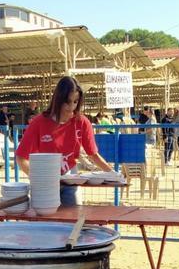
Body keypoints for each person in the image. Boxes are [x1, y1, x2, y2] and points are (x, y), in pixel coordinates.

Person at [15, 75, 114, 207]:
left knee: (73, 221)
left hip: (71, 181)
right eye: (67, 101)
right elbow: (21, 158)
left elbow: (93, 154)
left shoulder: (82, 122)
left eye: (75, 101)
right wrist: (38, 178)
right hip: (45, 184)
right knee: (46, 222)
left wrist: (113, 175)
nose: (71, 106)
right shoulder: (39, 122)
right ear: (58, 99)